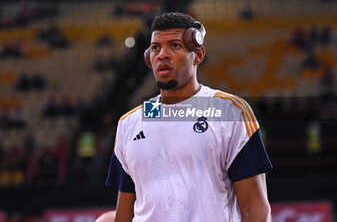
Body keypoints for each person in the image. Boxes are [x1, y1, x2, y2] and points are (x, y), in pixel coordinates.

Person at [104, 12, 273, 222]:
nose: (162, 55)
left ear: (198, 55)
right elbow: (125, 213)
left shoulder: (231, 112)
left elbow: (255, 208)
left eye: (174, 45)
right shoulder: (129, 123)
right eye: (156, 47)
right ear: (149, 57)